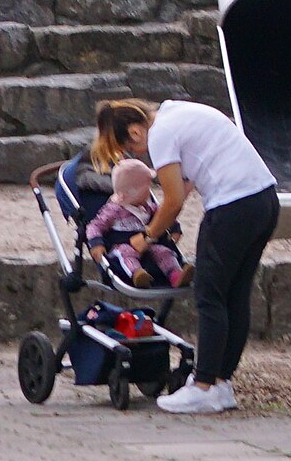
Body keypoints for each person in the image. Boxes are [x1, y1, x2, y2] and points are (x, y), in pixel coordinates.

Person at [119, 97, 277, 414]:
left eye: (130, 147)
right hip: (264, 200)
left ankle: (202, 386)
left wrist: (147, 237)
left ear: (135, 132)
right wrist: (163, 220)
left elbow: (174, 200)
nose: (138, 153)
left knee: (209, 296)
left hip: (231, 207)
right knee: (235, 296)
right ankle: (221, 385)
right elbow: (186, 182)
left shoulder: (160, 133)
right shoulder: (178, 110)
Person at [83, 157, 188, 289]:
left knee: (163, 252)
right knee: (126, 253)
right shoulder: (114, 210)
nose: (149, 191)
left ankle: (176, 275)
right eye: (146, 188)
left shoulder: (147, 206)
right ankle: (137, 274)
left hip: (147, 243)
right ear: (131, 193)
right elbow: (95, 226)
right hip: (122, 244)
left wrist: (174, 228)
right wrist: (96, 243)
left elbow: (164, 215)